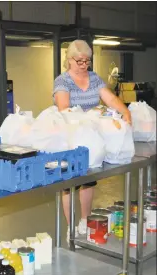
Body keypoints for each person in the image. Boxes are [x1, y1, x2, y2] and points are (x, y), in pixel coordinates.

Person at [52, 39, 132, 246]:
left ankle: (85, 220)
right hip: (69, 136)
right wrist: (87, 117)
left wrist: (125, 111)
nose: (83, 65)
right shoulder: (63, 81)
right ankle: (71, 227)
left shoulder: (94, 78)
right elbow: (64, 109)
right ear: (69, 60)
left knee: (89, 179)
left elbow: (110, 99)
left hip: (90, 138)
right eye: (79, 61)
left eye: (86, 61)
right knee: (69, 184)